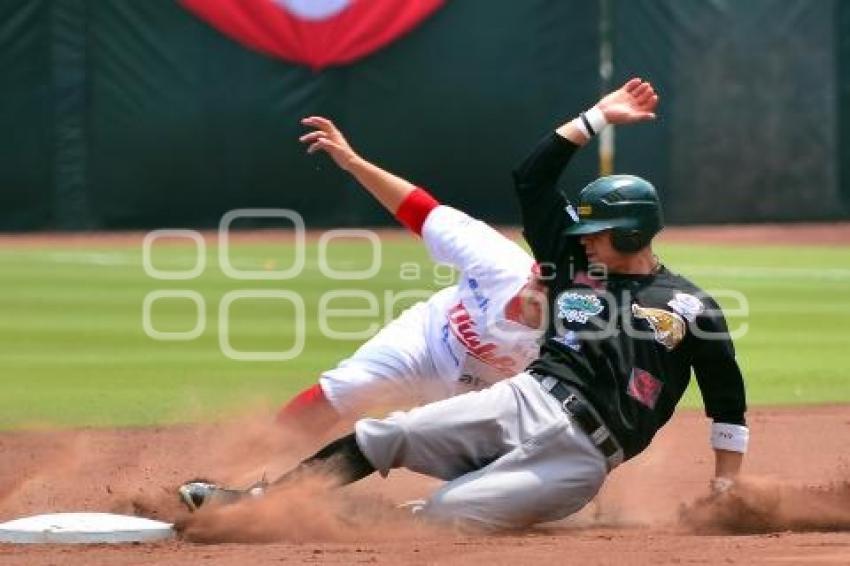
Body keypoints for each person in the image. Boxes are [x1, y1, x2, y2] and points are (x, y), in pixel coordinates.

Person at [179, 78, 748, 530]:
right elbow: (531, 178)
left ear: (633, 233)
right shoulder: (573, 264)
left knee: (447, 512)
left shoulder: (691, 306)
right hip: (525, 400)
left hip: (581, 459)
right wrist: (595, 118)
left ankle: (343, 518)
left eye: (601, 231)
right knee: (384, 435)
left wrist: (726, 489)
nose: (585, 239)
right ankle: (258, 504)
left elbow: (727, 402)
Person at [275, 117, 547, 435]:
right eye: (540, 277)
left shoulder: (571, 332)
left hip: (483, 397)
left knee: (494, 458)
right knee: (352, 385)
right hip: (426, 342)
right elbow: (421, 212)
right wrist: (352, 162)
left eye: (550, 287)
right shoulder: (497, 260)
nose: (538, 287)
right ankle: (255, 457)